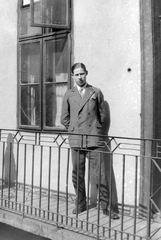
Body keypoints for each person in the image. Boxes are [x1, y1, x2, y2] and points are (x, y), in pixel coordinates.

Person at [61, 62, 119, 219]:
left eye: (82, 74)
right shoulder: (68, 94)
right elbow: (64, 118)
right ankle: (80, 204)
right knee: (77, 174)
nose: (80, 77)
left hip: (94, 139)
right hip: (76, 139)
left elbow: (103, 116)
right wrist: (74, 130)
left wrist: (96, 131)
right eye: (77, 74)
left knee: (101, 174)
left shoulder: (96, 92)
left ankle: (107, 207)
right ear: (72, 76)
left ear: (86, 74)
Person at [90, 100, 119, 219]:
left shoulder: (102, 104)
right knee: (94, 175)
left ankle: (110, 207)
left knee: (105, 175)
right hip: (86, 143)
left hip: (100, 143)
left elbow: (103, 124)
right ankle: (95, 203)